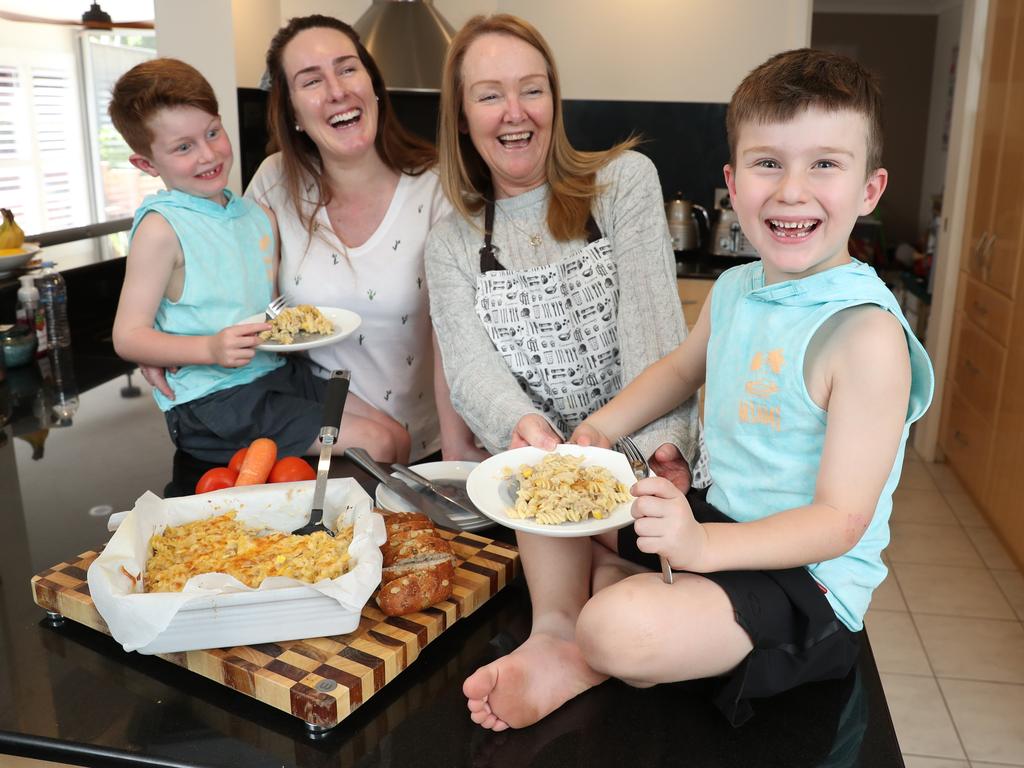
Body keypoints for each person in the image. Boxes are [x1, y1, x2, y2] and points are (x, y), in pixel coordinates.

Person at [464, 47, 936, 732]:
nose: (791, 189)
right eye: (767, 162)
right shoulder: (737, 287)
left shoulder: (864, 335)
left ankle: (595, 640)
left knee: (623, 628)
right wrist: (592, 434)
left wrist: (700, 553)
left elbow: (840, 522)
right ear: (733, 182)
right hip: (717, 524)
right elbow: (679, 371)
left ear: (869, 190)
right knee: (542, 494)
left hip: (805, 584)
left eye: (825, 164)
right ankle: (557, 637)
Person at [423, 14, 703, 729]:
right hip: (541, 467)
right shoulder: (452, 241)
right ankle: (554, 634)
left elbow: (658, 340)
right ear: (461, 115)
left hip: (638, 451)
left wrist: (654, 445)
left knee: (629, 594)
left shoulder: (622, 184)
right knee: (539, 475)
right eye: (489, 95)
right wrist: (527, 429)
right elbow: (473, 372)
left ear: (556, 99)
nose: (515, 113)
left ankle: (580, 635)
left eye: (532, 90)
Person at [244, 14, 482, 463]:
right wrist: (172, 343)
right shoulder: (273, 181)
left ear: (373, 84)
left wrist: (455, 460)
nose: (337, 90)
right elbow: (233, 287)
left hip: (426, 452)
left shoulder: (439, 188)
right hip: (317, 447)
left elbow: (457, 336)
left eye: (347, 68)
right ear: (291, 111)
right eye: (311, 80)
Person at [109, 58, 343, 464]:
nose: (208, 154)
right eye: (184, 147)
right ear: (146, 164)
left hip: (276, 375)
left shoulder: (256, 216)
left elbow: (265, 306)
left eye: (213, 133)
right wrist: (208, 348)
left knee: (391, 435)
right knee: (371, 444)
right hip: (214, 401)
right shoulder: (162, 229)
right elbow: (128, 336)